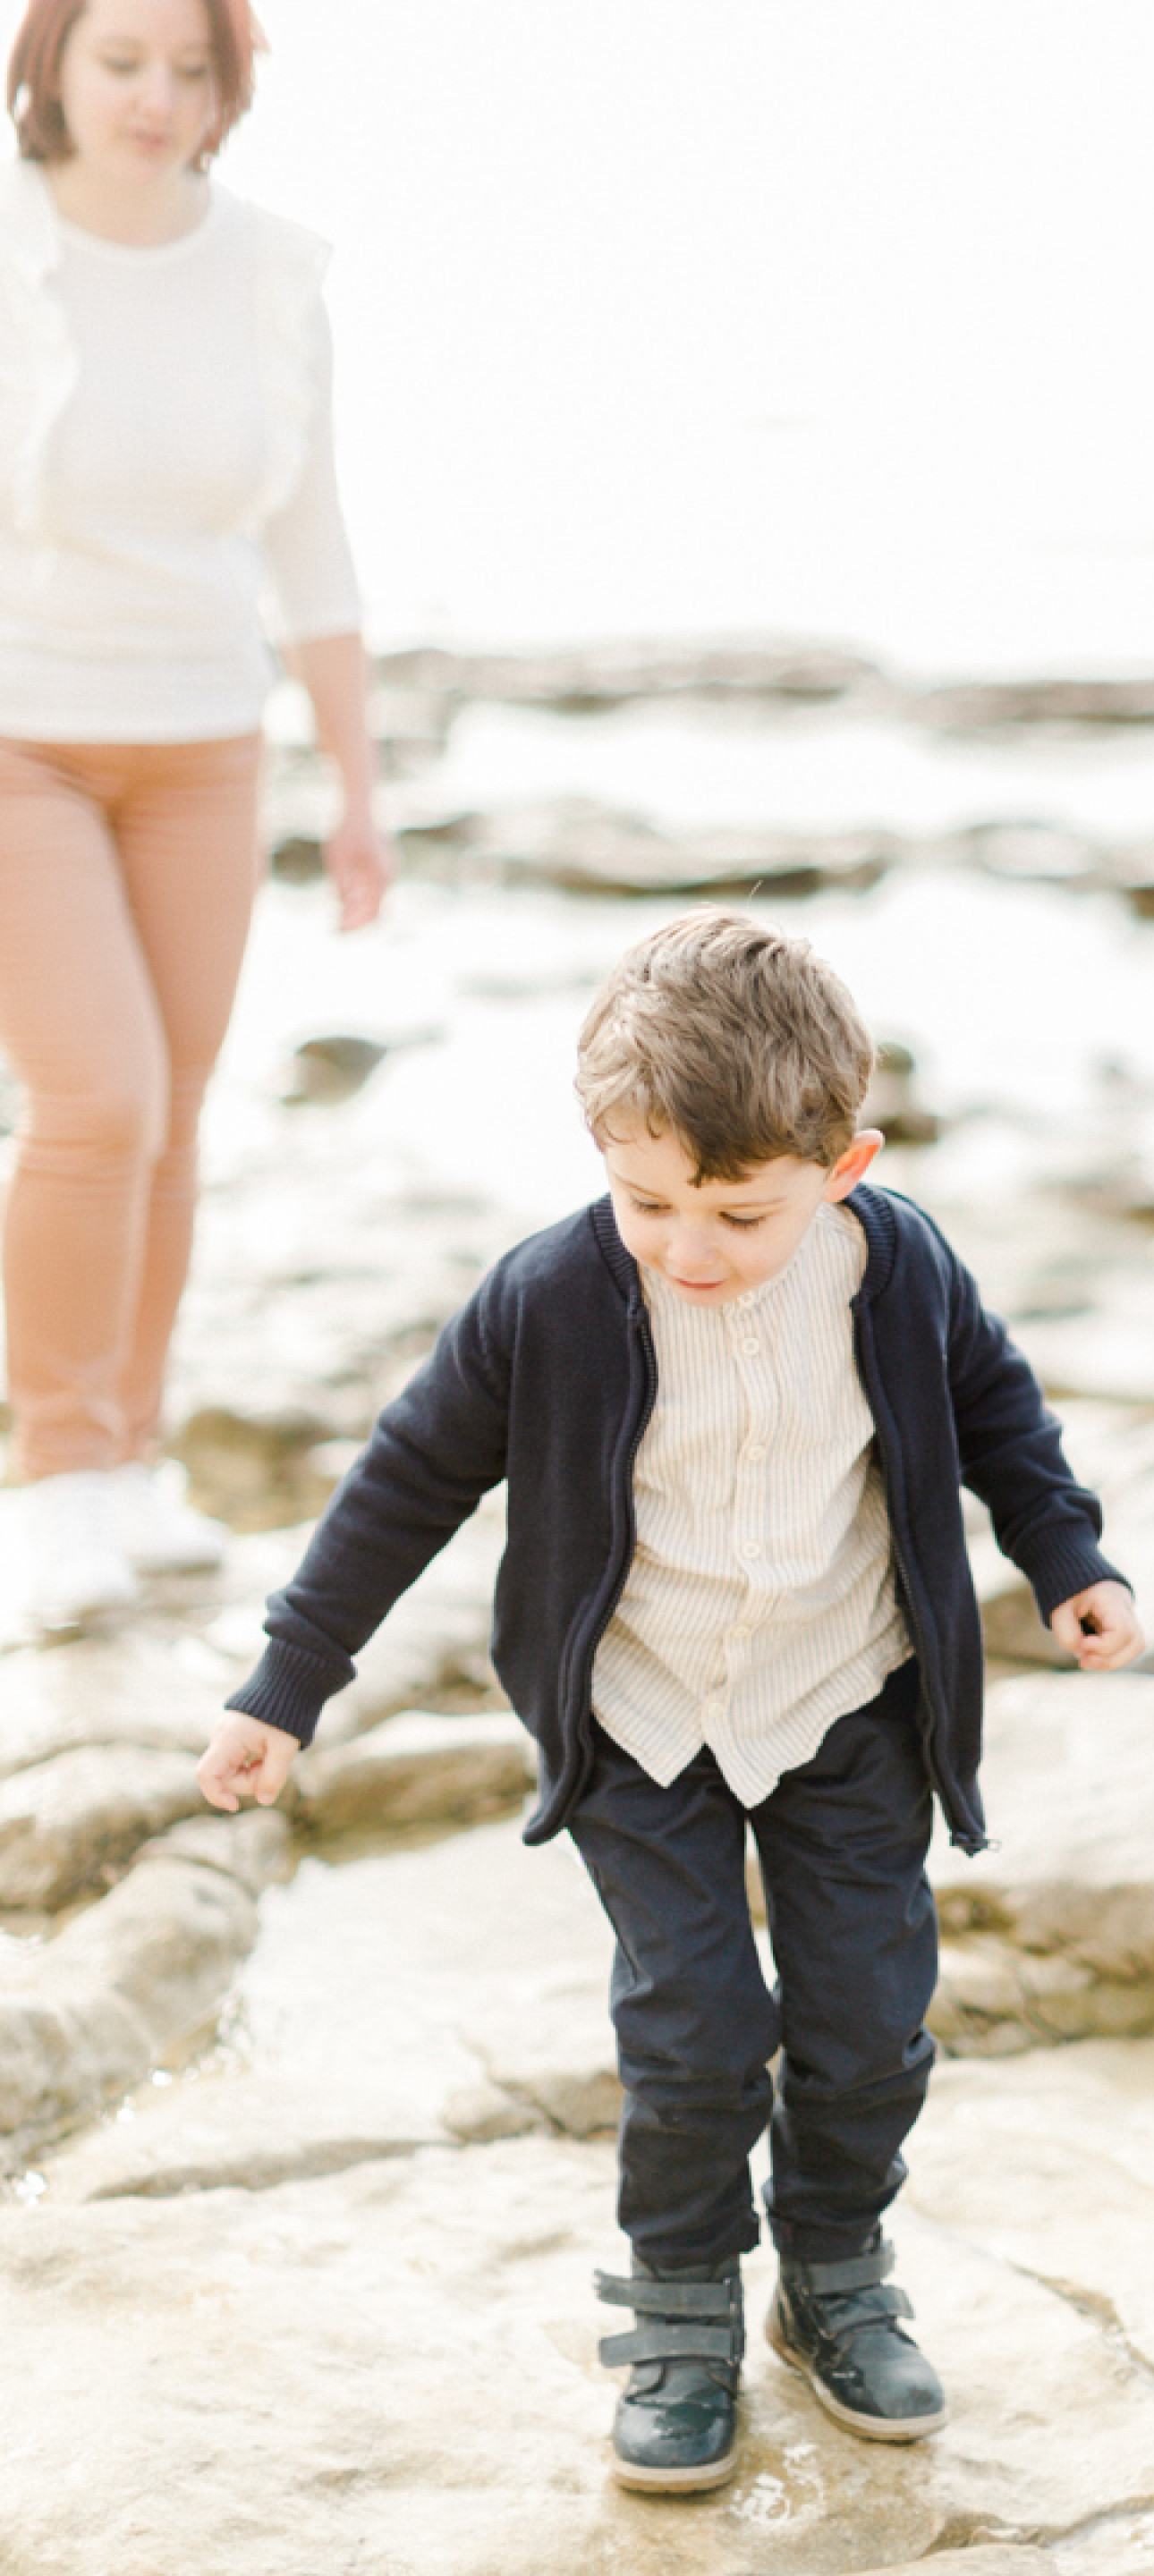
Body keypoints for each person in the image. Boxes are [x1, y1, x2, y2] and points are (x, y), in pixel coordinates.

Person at [197, 911, 1146, 2496]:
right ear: (600, 1157)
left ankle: (832, 2274)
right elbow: (406, 1480)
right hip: (641, 1717)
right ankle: (685, 2304)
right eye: (647, 1202)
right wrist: (288, 1685)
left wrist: (1065, 1556)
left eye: (737, 1213)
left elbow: (997, 1407)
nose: (688, 1248)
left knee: (866, 2025)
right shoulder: (553, 1295)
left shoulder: (895, 1266)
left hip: (847, 1694)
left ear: (844, 1164)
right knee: (699, 2032)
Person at [0, 0, 390, 1631]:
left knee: (176, 1106)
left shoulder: (271, 270)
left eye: (189, 66)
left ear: (230, 84)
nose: (155, 97)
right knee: (97, 1103)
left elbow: (311, 542)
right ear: (51, 68)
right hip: (18, 740)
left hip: (205, 745)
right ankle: (52, 1485)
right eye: (121, 62)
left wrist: (360, 786)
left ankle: (133, 1463)